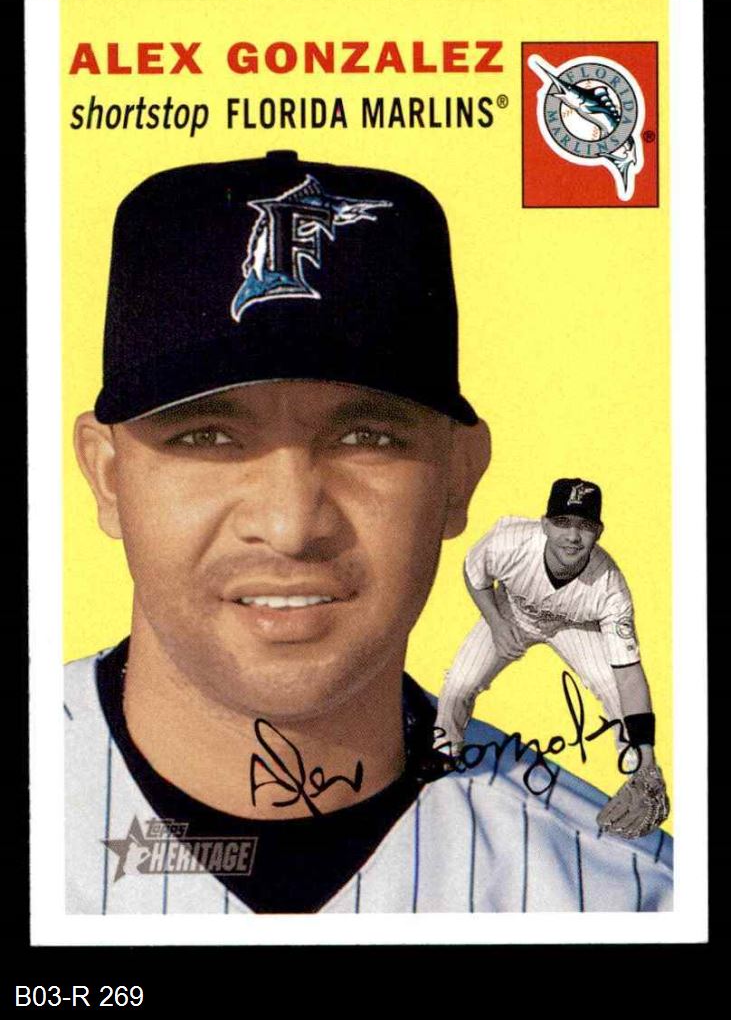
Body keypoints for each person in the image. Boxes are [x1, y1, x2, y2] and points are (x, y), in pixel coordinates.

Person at [66, 151, 672, 914]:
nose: (290, 527)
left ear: (458, 477)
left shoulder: (634, 898)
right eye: (208, 438)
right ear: (107, 476)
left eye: (367, 439)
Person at [435, 479, 670, 840]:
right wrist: (495, 622)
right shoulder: (509, 542)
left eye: (585, 526)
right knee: (459, 684)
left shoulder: (610, 588)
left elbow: (629, 675)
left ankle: (637, 768)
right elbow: (473, 573)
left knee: (612, 687)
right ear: (544, 524)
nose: (573, 536)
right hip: (512, 612)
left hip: (572, 626)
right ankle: (443, 753)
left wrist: (648, 755)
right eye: (563, 523)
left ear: (599, 533)